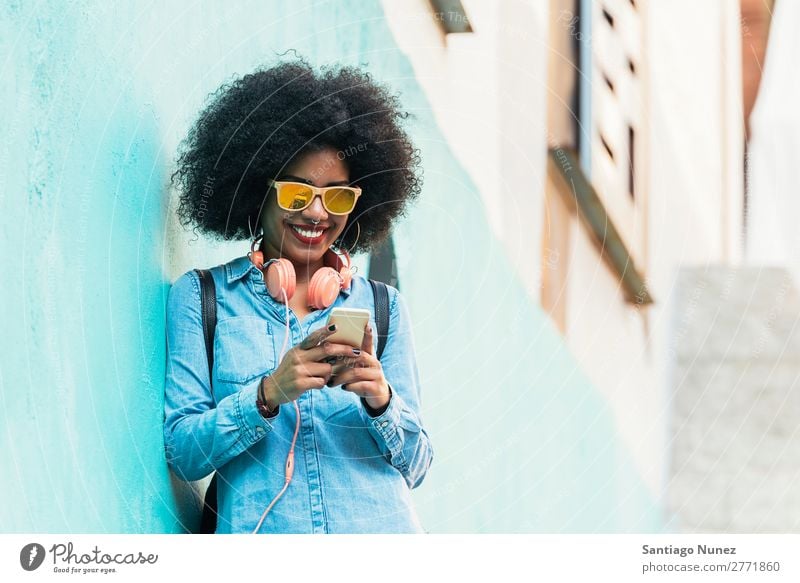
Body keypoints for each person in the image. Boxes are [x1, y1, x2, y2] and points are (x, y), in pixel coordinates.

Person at [163, 56, 433, 534]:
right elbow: (183, 452)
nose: (316, 213)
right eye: (295, 194)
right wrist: (267, 394)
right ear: (256, 192)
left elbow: (417, 463)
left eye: (338, 197)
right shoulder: (202, 298)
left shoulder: (384, 307)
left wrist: (380, 399)